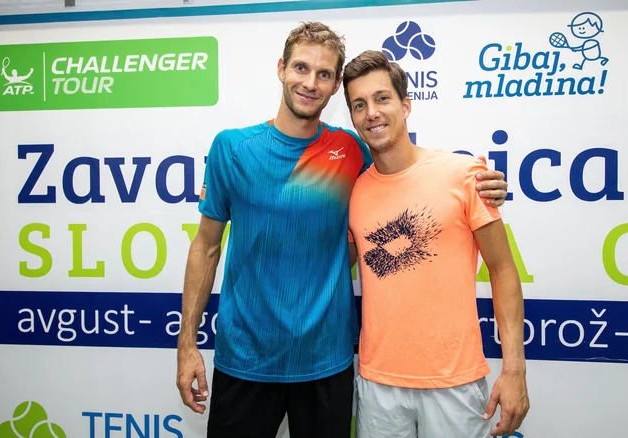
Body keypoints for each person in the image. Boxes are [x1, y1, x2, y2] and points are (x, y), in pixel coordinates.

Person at [176, 22, 509, 438]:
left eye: (324, 74)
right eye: (301, 68)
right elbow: (206, 246)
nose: (309, 83)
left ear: (334, 87)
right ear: (281, 68)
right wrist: (187, 343)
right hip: (245, 360)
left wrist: (481, 181)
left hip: (327, 364)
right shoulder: (232, 148)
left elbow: (406, 175)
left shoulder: (351, 151)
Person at [343, 50, 529, 438]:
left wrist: (514, 370)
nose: (371, 112)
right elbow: (335, 265)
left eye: (381, 98)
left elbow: (503, 269)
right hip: (378, 385)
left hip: (455, 384)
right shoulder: (354, 190)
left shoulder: (464, 174)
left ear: (406, 105)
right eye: (359, 105)